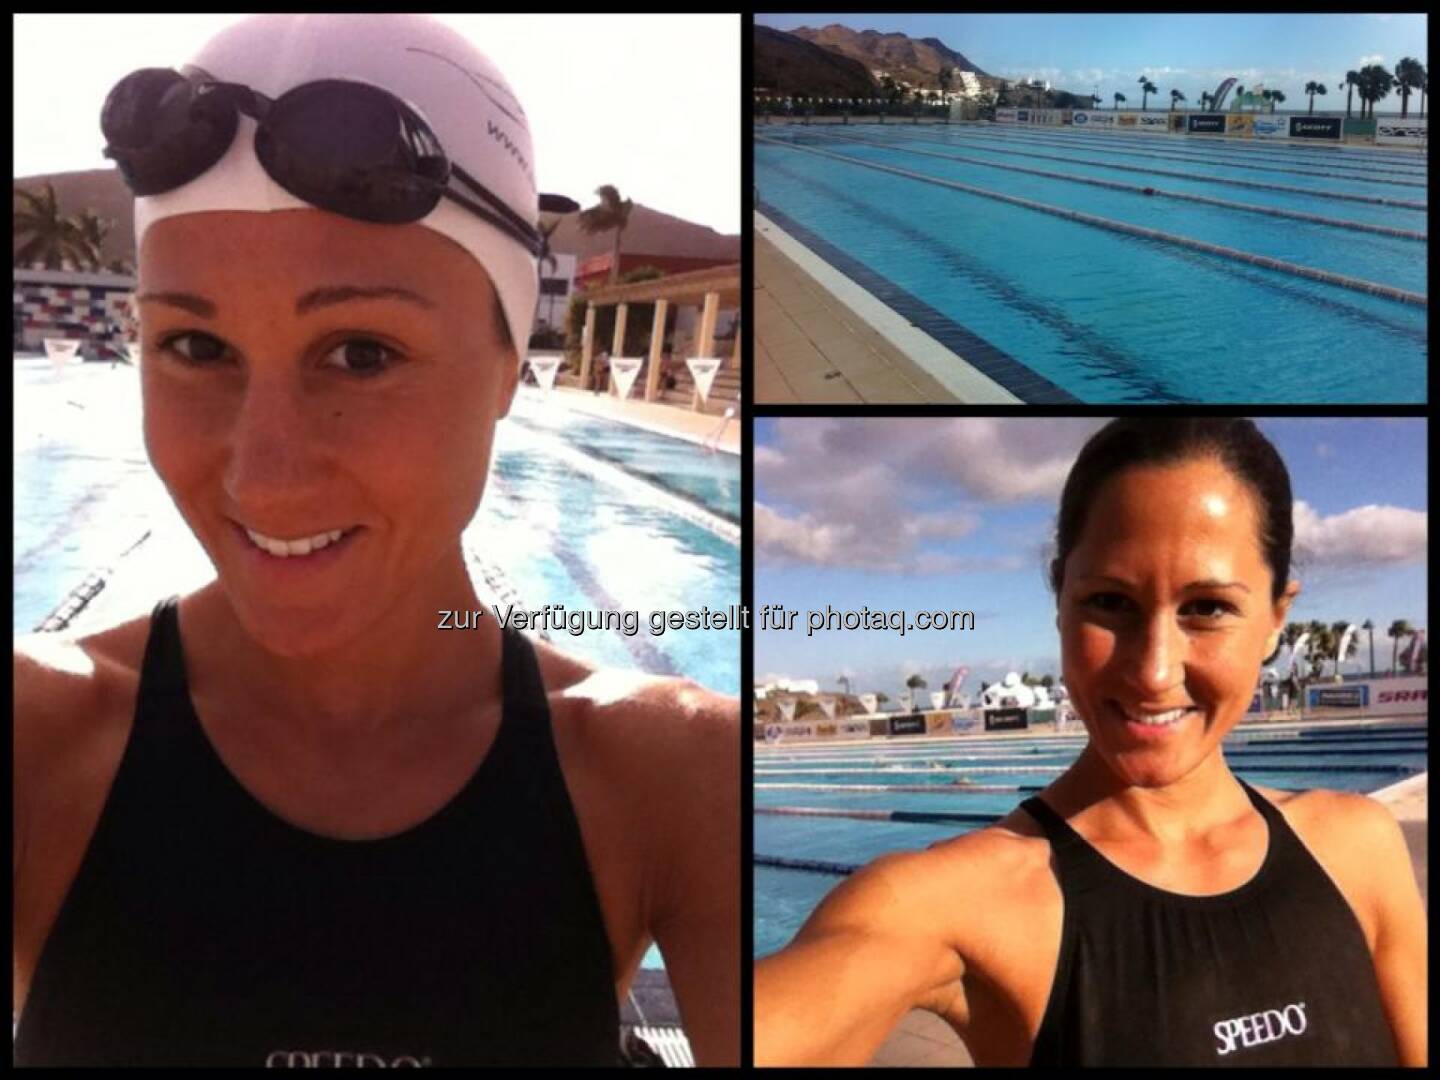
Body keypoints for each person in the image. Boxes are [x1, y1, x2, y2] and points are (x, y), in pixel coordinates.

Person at [13, 14, 738, 1067]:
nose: (261, 475)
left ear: (508, 371)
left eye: (361, 353)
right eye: (196, 346)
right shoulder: (37, 743)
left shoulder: (666, 777)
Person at [754, 418, 1424, 1067]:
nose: (1154, 672)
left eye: (1207, 608)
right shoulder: (950, 903)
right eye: (1110, 602)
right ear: (1060, 599)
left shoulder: (1356, 848)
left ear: (1277, 617)